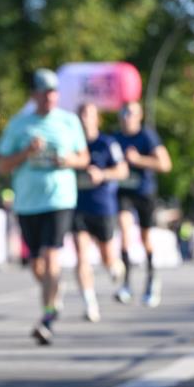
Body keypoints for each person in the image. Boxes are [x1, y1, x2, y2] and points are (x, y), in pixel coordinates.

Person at [0, 69, 89, 344]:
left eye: (53, 93)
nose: (50, 98)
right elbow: (2, 165)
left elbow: (84, 158)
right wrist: (26, 152)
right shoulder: (19, 124)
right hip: (28, 203)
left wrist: (68, 161)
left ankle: (47, 317)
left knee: (51, 258)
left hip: (59, 199)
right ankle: (54, 292)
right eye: (44, 93)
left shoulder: (69, 121)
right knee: (37, 266)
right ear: (34, 95)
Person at [72, 103, 128, 322]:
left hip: (102, 206)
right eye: (81, 114)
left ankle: (115, 266)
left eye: (89, 114)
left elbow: (122, 170)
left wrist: (102, 174)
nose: (85, 118)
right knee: (81, 255)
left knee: (107, 257)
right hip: (77, 206)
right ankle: (90, 303)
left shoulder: (107, 143)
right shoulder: (73, 144)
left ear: (97, 119)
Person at [114, 102, 172, 307]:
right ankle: (126, 284)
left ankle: (151, 279)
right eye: (124, 112)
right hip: (123, 192)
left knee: (145, 237)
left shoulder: (147, 136)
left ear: (139, 116)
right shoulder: (116, 138)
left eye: (131, 113)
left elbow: (165, 164)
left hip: (144, 192)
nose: (127, 116)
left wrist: (138, 160)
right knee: (124, 232)